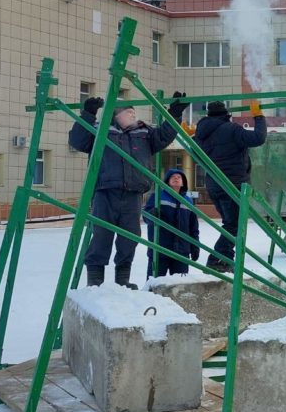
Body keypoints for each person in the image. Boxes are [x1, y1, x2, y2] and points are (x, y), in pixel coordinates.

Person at [69, 93, 188, 288]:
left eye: (134, 112)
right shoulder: (100, 130)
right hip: (105, 191)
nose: (133, 115)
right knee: (101, 235)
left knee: (130, 236)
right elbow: (78, 141)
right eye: (129, 112)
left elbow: (165, 135)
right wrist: (88, 114)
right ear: (116, 115)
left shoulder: (144, 133)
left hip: (133, 193)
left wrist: (174, 113)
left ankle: (122, 279)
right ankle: (95, 281)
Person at [193, 99, 267, 272]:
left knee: (230, 223)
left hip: (214, 186)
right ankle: (215, 261)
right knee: (233, 225)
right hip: (232, 185)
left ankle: (226, 261)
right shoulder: (231, 129)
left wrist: (192, 135)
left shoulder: (202, 133)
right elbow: (258, 138)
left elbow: (196, 148)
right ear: (226, 115)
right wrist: (258, 116)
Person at [143, 168, 200, 278]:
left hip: (182, 251)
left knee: (180, 287)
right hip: (160, 249)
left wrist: (195, 246)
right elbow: (146, 216)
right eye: (172, 177)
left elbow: (193, 227)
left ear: (183, 182)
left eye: (179, 177)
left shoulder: (188, 201)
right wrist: (151, 214)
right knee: (154, 285)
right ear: (167, 181)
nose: (176, 179)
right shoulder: (157, 196)